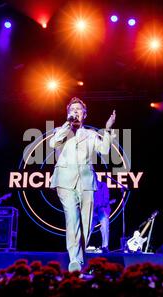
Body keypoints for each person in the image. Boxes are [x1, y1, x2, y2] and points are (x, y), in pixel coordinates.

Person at [49, 97, 116, 272]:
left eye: (79, 109)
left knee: (86, 223)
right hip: (65, 181)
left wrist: (107, 130)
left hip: (86, 182)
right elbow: (53, 143)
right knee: (73, 218)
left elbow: (104, 150)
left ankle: (79, 257)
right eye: (73, 109)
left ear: (85, 114)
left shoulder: (91, 134)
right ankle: (75, 261)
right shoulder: (61, 131)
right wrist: (67, 124)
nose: (76, 111)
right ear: (69, 113)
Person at [91, 179, 111, 253]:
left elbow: (106, 197)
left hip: (102, 209)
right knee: (88, 228)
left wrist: (101, 204)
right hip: (93, 210)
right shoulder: (89, 186)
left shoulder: (103, 185)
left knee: (105, 227)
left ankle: (105, 246)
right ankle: (83, 246)